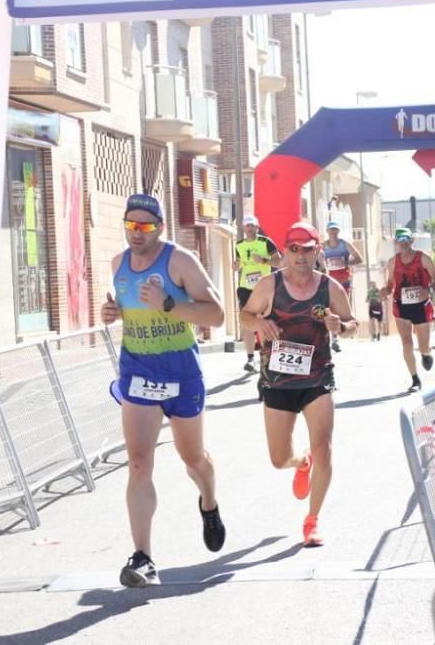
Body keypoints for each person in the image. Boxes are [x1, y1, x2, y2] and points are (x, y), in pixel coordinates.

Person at [102, 193, 227, 587]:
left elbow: (218, 314)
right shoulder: (117, 265)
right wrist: (114, 313)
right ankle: (143, 558)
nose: (136, 234)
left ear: (160, 227)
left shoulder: (179, 261)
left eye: (145, 226)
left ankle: (209, 501)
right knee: (138, 464)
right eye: (130, 225)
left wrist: (170, 304)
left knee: (192, 459)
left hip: (180, 371)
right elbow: (130, 308)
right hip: (138, 369)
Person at [240, 221, 358, 547]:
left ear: (317, 251)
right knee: (279, 459)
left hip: (318, 378)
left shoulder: (329, 287)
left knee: (325, 450)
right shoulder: (268, 285)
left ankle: (312, 520)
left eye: (307, 249)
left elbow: (353, 324)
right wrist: (260, 321)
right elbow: (244, 316)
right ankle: (300, 462)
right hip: (278, 381)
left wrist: (340, 326)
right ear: (285, 251)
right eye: (293, 249)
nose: (300, 256)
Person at [384, 227, 435, 392]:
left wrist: (429, 290)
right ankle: (415, 379)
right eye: (399, 241)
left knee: (422, 346)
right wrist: (385, 291)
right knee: (407, 343)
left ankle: (425, 353)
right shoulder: (392, 262)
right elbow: (390, 284)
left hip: (420, 305)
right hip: (400, 305)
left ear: (411, 241)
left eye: (405, 240)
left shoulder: (423, 258)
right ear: (396, 243)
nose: (402, 244)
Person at [234, 216, 281, 372]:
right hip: (245, 287)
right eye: (247, 225)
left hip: (263, 287)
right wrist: (236, 265)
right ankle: (250, 358)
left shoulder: (266, 242)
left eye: (252, 225)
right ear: (243, 228)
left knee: (263, 321)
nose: (249, 228)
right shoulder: (239, 245)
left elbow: (278, 261)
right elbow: (239, 263)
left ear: (257, 227)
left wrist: (264, 261)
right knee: (246, 321)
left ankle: (265, 355)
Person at [322, 221, 364, 352]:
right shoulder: (323, 246)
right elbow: (315, 260)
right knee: (329, 309)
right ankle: (333, 338)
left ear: (338, 232)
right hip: (328, 282)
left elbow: (359, 258)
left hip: (344, 281)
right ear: (327, 232)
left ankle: (340, 334)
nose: (333, 233)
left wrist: (346, 262)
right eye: (331, 230)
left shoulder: (344, 244)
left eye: (335, 230)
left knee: (343, 310)